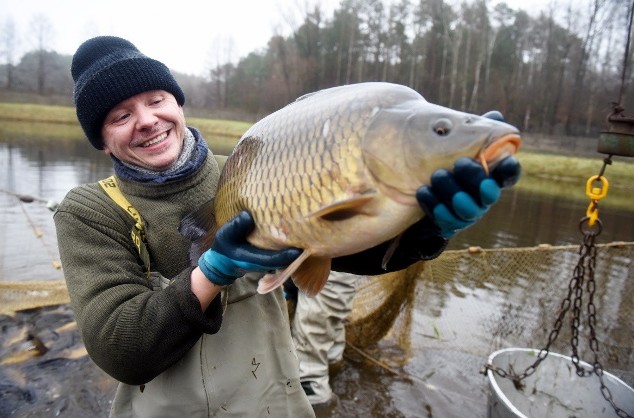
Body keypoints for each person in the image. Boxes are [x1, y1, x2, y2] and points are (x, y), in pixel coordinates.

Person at [54, 35, 519, 417]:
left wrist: (426, 230)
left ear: (177, 103)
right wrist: (211, 272)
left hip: (272, 400)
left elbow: (345, 245)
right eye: (121, 116)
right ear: (103, 140)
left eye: (156, 100)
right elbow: (121, 350)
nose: (147, 121)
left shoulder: (241, 166)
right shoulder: (89, 211)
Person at [290, 111, 521, 410]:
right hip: (321, 242)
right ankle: (323, 387)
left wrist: (424, 232)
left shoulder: (386, 155)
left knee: (323, 318)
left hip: (337, 249)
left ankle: (320, 385)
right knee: (320, 318)